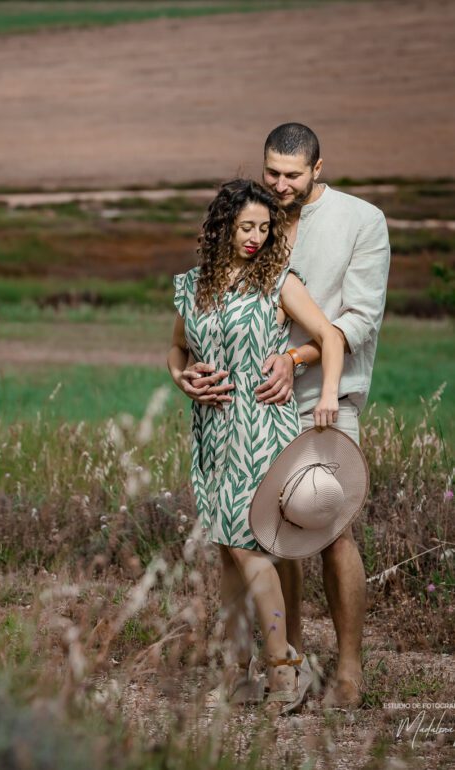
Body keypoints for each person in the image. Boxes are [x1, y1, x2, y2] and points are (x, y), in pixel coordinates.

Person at [185, 124, 391, 709]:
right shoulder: (259, 215)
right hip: (255, 404)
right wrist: (193, 367)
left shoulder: (361, 221)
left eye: (292, 175)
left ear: (317, 169)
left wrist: (295, 359)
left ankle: (348, 671)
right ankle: (290, 663)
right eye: (271, 172)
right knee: (272, 533)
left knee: (331, 528)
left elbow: (358, 319)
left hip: (325, 397)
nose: (280, 185)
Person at [167, 178, 344, 714]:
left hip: (261, 430)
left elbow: (329, 337)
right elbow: (176, 349)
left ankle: (284, 671)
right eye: (247, 226)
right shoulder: (194, 286)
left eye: (265, 229)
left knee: (249, 547)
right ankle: (237, 673)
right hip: (212, 434)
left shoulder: (278, 283)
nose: (255, 238)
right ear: (222, 226)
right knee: (227, 552)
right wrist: (182, 379)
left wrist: (326, 393)